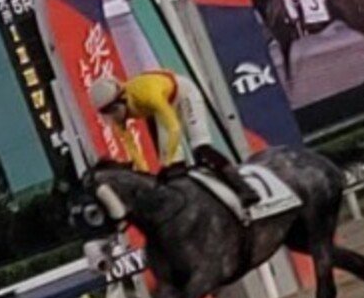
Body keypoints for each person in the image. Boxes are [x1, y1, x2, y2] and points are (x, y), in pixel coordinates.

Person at [89, 70, 261, 207]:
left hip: (183, 93)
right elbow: (133, 151)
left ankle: (243, 188)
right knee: (173, 170)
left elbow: (174, 128)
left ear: (123, 99)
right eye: (108, 115)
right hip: (160, 107)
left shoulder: (146, 93)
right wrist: (145, 177)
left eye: (113, 111)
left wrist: (166, 161)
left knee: (200, 148)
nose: (114, 118)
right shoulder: (118, 119)